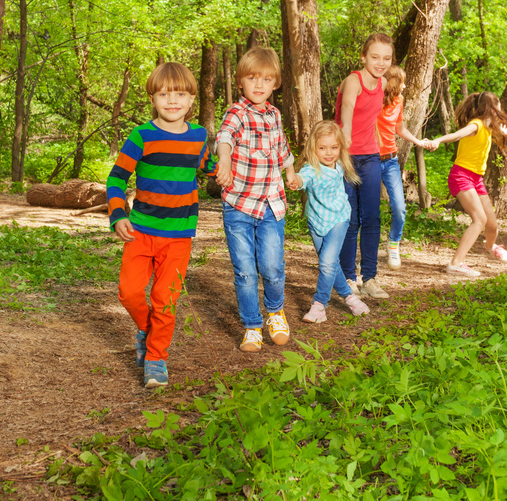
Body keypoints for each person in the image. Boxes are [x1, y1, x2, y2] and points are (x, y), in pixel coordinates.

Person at [106, 62, 217, 389]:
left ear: (191, 99)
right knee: (128, 293)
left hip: (178, 237)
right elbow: (116, 178)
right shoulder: (142, 136)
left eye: (180, 94)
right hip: (140, 231)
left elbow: (209, 166)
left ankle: (156, 358)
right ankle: (147, 327)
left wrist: (221, 169)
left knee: (165, 298)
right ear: (153, 98)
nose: (173, 101)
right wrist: (118, 215)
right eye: (164, 94)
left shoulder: (198, 136)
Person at [215, 46, 298, 353]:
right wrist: (224, 162)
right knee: (246, 270)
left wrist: (290, 173)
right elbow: (224, 138)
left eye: (266, 79)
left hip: (271, 206)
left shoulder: (274, 115)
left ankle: (275, 312)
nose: (259, 85)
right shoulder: (236, 113)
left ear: (275, 82)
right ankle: (252, 325)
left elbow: (282, 149)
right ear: (241, 82)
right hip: (238, 205)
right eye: (252, 78)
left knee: (272, 266)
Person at [288, 121, 372, 323]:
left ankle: (319, 306)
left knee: (326, 263)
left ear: (340, 148)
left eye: (334, 147)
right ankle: (351, 299)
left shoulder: (340, 165)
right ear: (313, 148)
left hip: (339, 218)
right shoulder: (311, 169)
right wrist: (295, 181)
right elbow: (301, 179)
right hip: (316, 222)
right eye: (322, 148)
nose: (328, 153)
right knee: (330, 264)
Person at [427, 92, 507, 277]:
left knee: (492, 224)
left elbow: (499, 129)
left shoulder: (489, 127)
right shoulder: (476, 124)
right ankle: (455, 264)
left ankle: (491, 247)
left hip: (476, 179)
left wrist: (504, 131)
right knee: (479, 220)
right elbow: (457, 135)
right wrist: (439, 140)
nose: (500, 112)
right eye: (498, 108)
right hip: (461, 176)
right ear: (491, 109)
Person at [334, 33, 393, 299]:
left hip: (370, 155)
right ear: (363, 57)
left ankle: (369, 278)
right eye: (375, 57)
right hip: (345, 155)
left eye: (386, 58)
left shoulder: (382, 83)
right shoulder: (353, 80)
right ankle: (348, 276)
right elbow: (347, 105)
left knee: (372, 217)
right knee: (350, 218)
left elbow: (374, 118)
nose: (380, 63)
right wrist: (345, 131)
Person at [376, 65, 433, 269]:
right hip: (370, 160)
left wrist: (418, 141)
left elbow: (399, 128)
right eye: (403, 82)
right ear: (393, 83)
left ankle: (393, 245)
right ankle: (366, 252)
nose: (405, 86)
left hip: (390, 161)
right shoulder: (373, 101)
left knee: (399, 208)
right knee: (368, 210)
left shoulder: (399, 101)